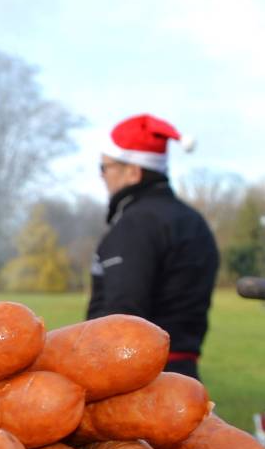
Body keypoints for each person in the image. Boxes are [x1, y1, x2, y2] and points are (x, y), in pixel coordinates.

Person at [87, 114, 219, 380]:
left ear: (133, 172)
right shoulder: (193, 221)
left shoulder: (135, 225)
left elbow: (122, 317)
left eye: (105, 167)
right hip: (185, 375)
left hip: (140, 382)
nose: (102, 176)